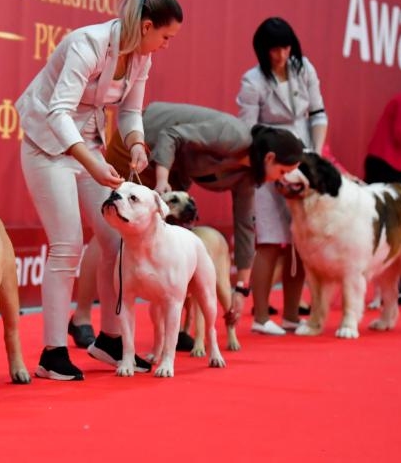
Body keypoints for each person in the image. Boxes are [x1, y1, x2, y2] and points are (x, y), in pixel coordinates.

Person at [16, 0, 183, 381]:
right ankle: (52, 352)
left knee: (114, 239)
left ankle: (110, 339)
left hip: (87, 145)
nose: (166, 44)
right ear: (146, 26)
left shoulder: (142, 57)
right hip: (46, 144)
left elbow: (129, 112)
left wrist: (137, 142)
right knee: (67, 244)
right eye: (165, 35)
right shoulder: (86, 44)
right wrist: (91, 164)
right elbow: (58, 111)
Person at [105, 104, 306, 328]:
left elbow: (245, 227)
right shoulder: (233, 135)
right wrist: (162, 181)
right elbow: (171, 135)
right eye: (284, 171)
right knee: (112, 229)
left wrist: (240, 288)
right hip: (141, 144)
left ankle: (178, 330)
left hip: (171, 171)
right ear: (269, 158)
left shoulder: (247, 177)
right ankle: (87, 319)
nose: (283, 179)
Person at [236, 17, 328, 335]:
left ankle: (291, 314)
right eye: (275, 49)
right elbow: (247, 130)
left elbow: (318, 112)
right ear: (263, 50)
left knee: (300, 242)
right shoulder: (252, 81)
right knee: (271, 242)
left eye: (287, 47)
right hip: (268, 164)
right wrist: (268, 166)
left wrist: (315, 152)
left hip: (304, 163)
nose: (281, 54)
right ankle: (261, 317)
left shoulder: (305, 70)